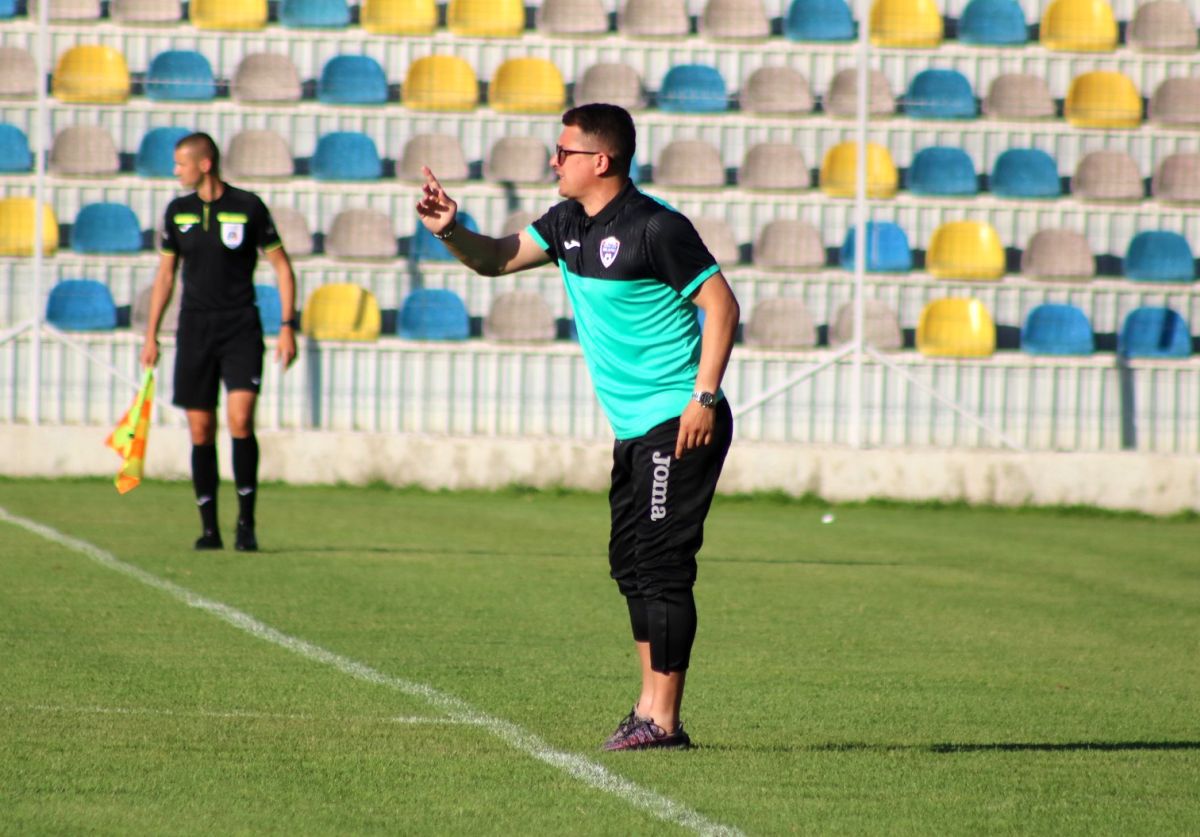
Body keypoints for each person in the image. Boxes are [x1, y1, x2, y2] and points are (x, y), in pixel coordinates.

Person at [416, 104, 739, 751]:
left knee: (662, 564)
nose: (552, 161)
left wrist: (704, 396)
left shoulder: (656, 227)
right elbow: (498, 258)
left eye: (563, 151)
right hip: (634, 428)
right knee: (630, 562)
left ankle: (664, 720)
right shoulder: (566, 223)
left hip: (677, 420)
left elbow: (721, 303)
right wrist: (453, 231)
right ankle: (649, 708)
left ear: (602, 160)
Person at [140, 132, 298, 552]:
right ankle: (209, 529)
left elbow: (282, 268)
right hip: (194, 328)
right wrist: (151, 334)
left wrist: (287, 325)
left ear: (204, 164)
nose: (176, 171)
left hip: (240, 326)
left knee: (240, 420)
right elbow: (165, 277)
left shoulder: (248, 207)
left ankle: (246, 524)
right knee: (201, 427)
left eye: (180, 163)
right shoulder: (178, 212)